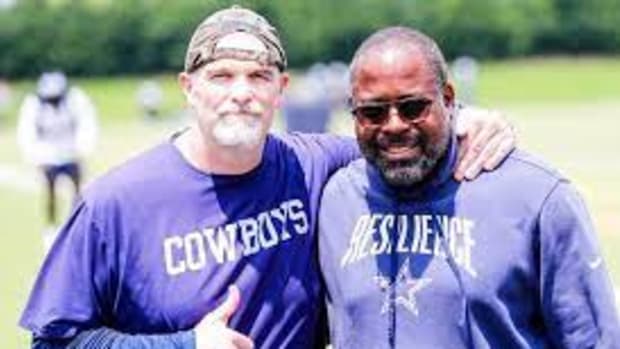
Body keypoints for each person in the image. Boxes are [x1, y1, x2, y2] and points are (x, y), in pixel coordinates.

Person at [20, 7, 516, 349]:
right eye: (222, 76)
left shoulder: (315, 165)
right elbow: (54, 339)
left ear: (281, 89)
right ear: (188, 88)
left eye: (258, 78)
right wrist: (182, 344)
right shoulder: (115, 204)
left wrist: (466, 119)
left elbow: (400, 138)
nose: (241, 93)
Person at [318, 27, 620, 348]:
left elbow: (593, 340)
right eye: (373, 112)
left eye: (413, 107)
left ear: (448, 99)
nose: (394, 125)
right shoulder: (334, 198)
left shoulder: (537, 198)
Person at [17, 71, 98, 249]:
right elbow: (27, 133)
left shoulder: (76, 100)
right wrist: (37, 158)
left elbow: (87, 125)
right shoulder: (33, 105)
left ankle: (78, 225)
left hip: (71, 152)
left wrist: (82, 150)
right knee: (50, 192)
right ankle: (51, 229)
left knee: (78, 192)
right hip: (48, 156)